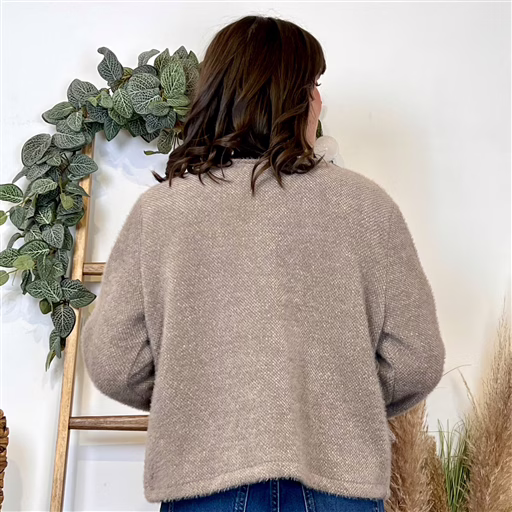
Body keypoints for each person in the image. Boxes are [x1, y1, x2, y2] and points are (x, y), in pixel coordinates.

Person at [80, 14, 446, 512]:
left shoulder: (162, 211)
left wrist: (200, 397)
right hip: (338, 487)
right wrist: (337, 402)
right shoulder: (366, 207)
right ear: (296, 100)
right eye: (314, 87)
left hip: (204, 484)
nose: (320, 102)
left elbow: (115, 364)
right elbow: (416, 361)